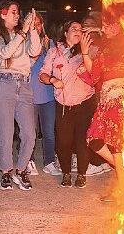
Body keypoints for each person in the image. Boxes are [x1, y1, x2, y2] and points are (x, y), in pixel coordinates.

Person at [80, 8, 124, 201]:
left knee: (116, 143)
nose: (103, 28)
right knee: (94, 140)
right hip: (106, 101)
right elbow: (94, 75)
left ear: (118, 26)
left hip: (123, 101)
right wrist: (85, 53)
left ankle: (123, 185)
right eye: (102, 24)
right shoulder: (103, 47)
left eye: (107, 24)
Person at [0, 0, 41, 191]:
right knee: (5, 132)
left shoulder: (24, 34)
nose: (17, 15)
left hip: (24, 85)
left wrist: (33, 28)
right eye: (13, 12)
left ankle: (21, 169)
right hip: (4, 83)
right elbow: (4, 52)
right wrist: (22, 33)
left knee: (29, 133)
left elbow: (35, 50)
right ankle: (6, 172)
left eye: (19, 12)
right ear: (2, 14)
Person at [39, 21, 97, 188]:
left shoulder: (88, 51)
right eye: (74, 29)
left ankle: (81, 174)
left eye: (80, 29)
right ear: (65, 33)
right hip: (63, 103)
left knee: (82, 140)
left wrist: (86, 52)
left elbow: (94, 72)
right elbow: (43, 74)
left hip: (85, 101)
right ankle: (65, 173)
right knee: (64, 140)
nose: (78, 31)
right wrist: (52, 79)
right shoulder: (54, 51)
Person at [29, 13, 59, 175]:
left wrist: (48, 49)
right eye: (33, 24)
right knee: (30, 132)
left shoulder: (50, 44)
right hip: (29, 94)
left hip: (47, 94)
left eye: (38, 24)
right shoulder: (24, 43)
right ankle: (29, 160)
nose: (36, 27)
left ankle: (49, 161)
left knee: (48, 131)